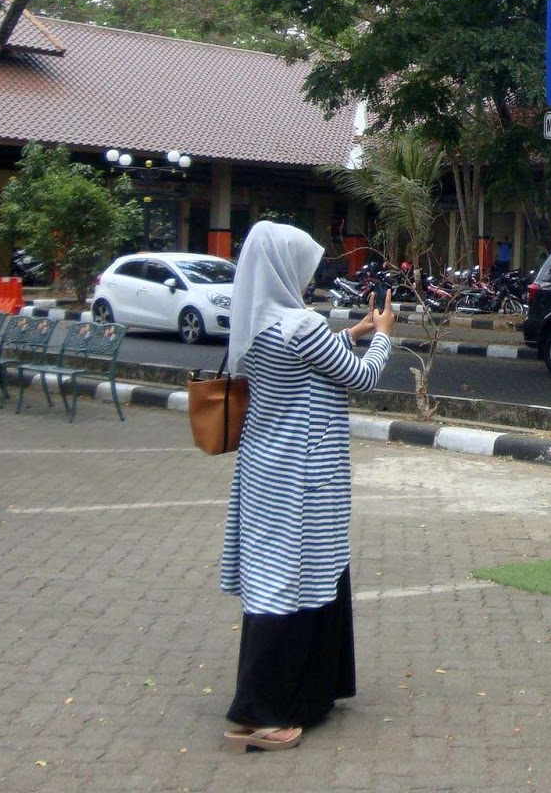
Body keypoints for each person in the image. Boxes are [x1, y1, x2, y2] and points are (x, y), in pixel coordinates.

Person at [219, 221, 396, 752]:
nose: (311, 272)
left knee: (288, 572)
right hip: (306, 475)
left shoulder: (257, 323)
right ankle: (260, 714)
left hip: (264, 468)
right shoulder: (301, 325)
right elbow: (360, 379)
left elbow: (303, 360)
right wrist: (384, 335)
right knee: (286, 581)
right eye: (305, 264)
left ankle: (314, 690)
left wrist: (357, 331)